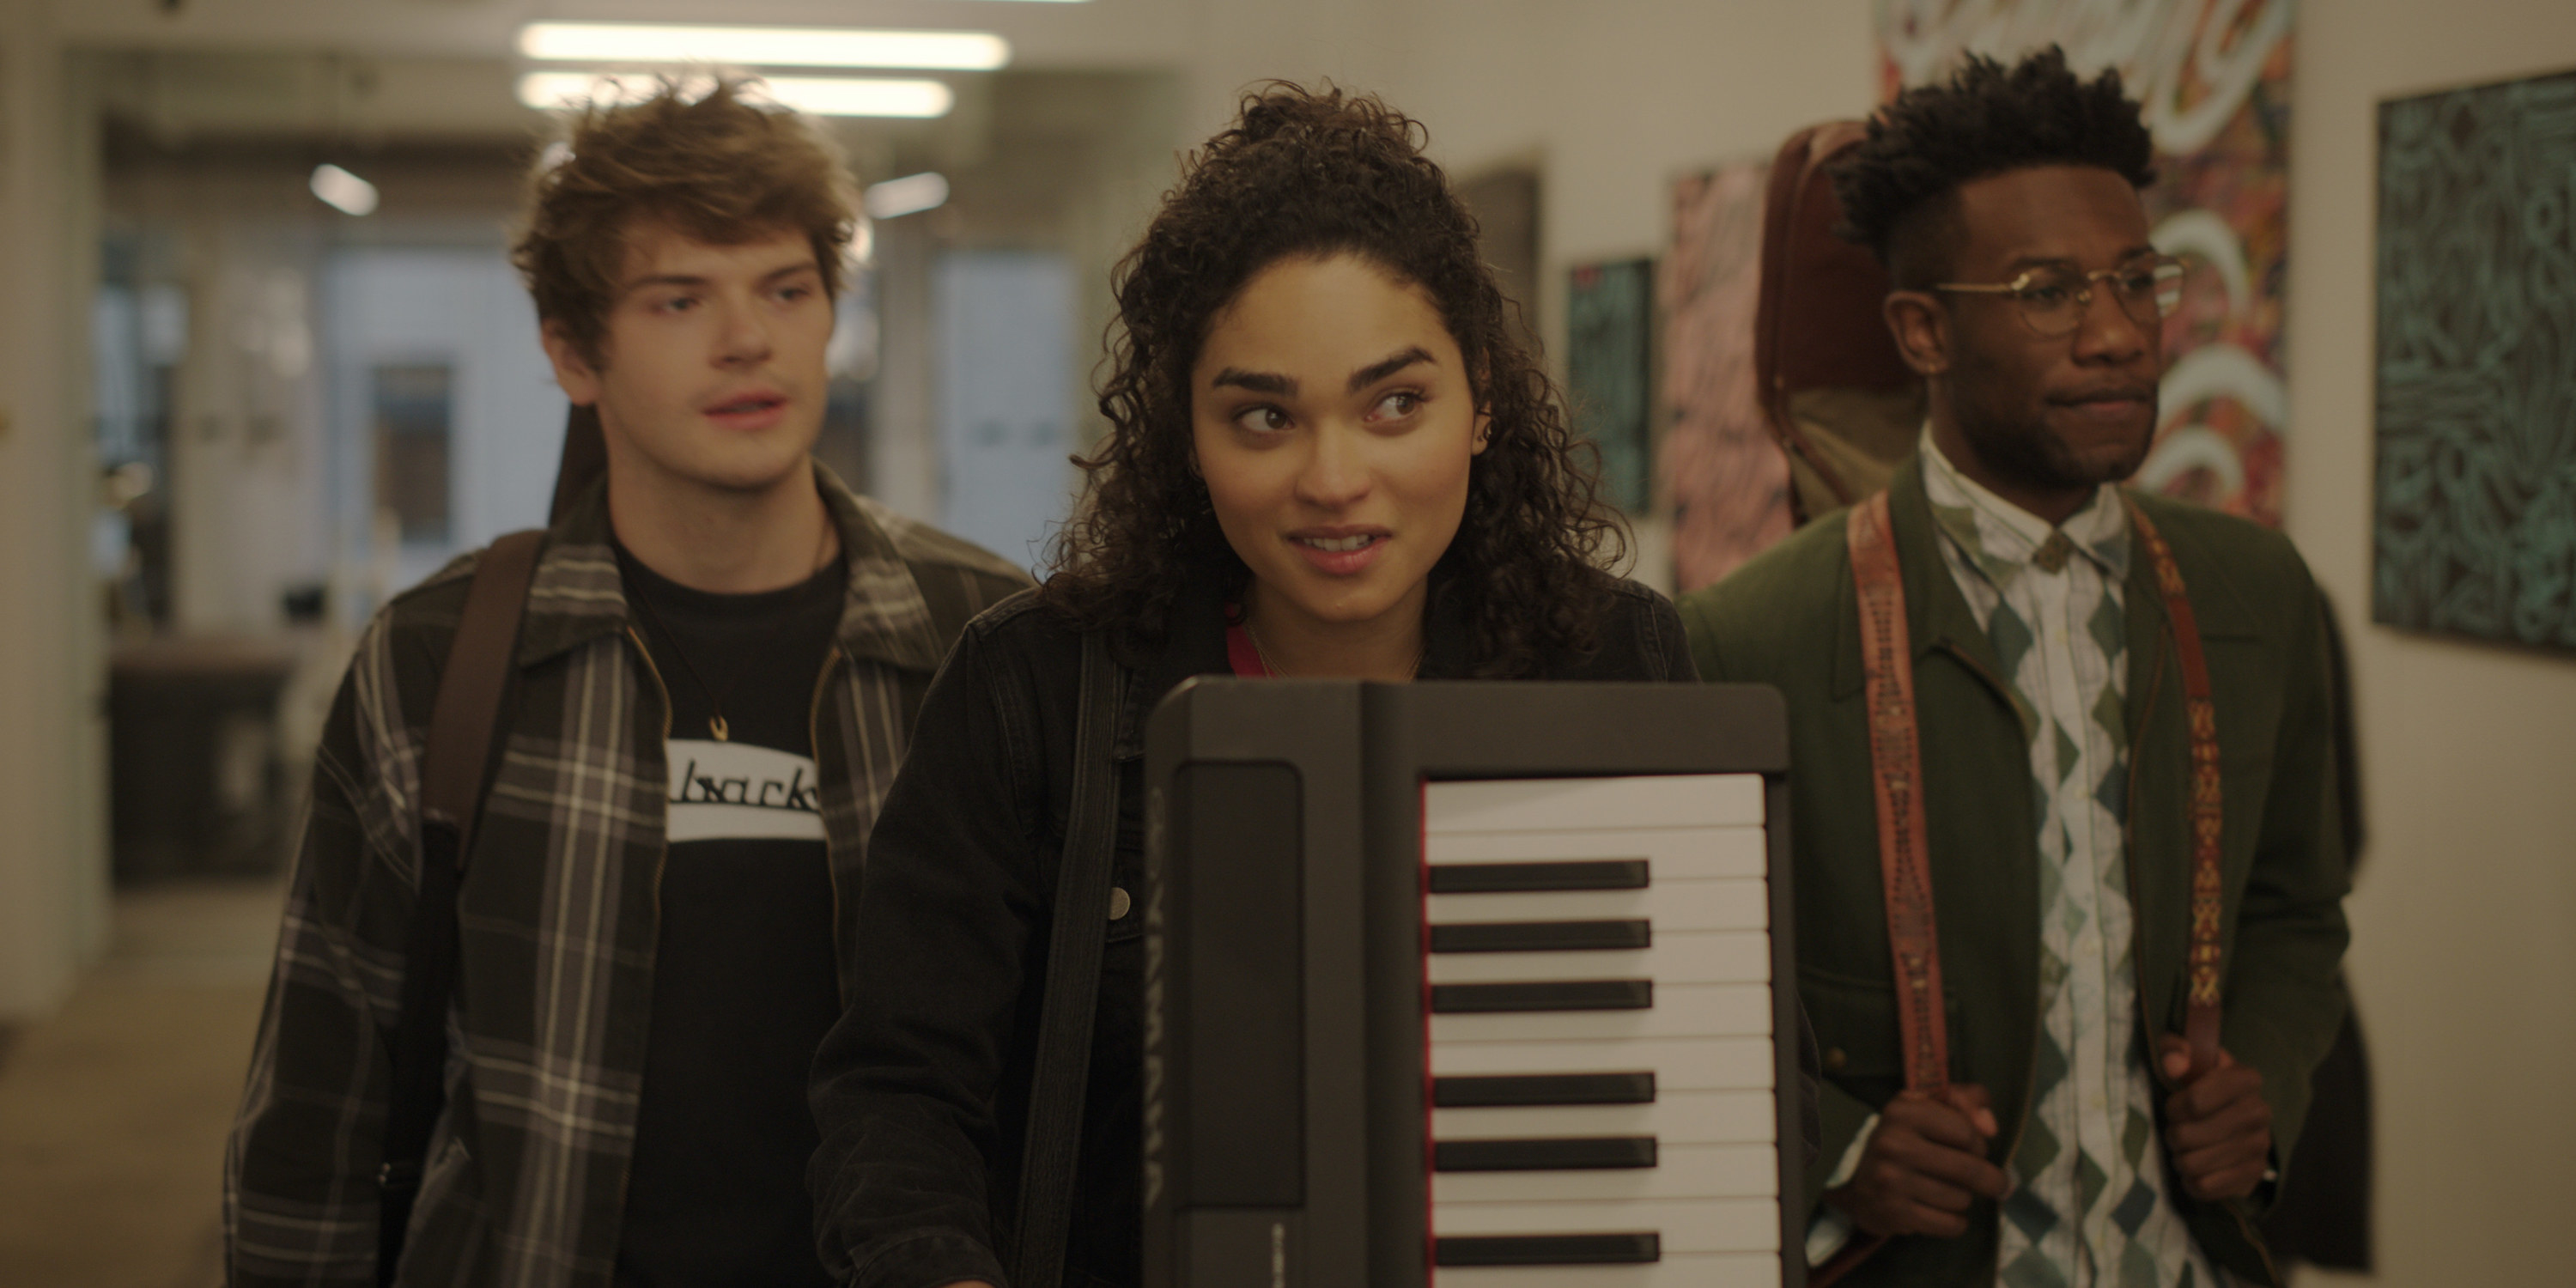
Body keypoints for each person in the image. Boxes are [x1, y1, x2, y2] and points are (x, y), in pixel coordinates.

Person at [806, 84, 1710, 1288]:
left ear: (1483, 400)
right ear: (1187, 430)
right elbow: (899, 1097)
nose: (1334, 479)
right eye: (1265, 416)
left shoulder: (1621, 663)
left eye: (1396, 404)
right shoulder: (1038, 692)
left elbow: (1730, 1068)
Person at [224, 81, 1030, 1286]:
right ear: (572, 353)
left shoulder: (985, 639)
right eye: (679, 298)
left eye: (785, 289)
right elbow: (318, 1107)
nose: (746, 339)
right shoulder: (444, 661)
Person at [1678, 49, 2348, 1288]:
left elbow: (2295, 911)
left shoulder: (2258, 596)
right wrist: (1838, 1152)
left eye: (2138, 278)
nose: (2116, 335)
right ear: (1923, 329)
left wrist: (2257, 1097)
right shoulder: (1747, 641)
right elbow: (1694, 984)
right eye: (2047, 291)